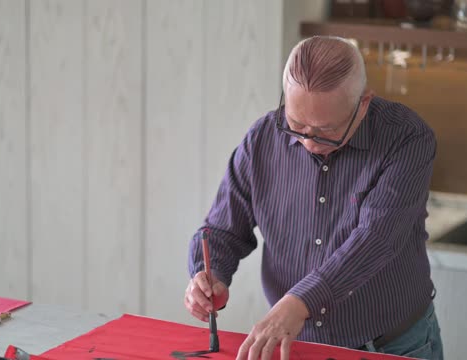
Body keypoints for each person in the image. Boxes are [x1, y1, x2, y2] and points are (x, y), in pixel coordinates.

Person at [184, 36, 444, 360]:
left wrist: (301, 301)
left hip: (392, 345)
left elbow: (377, 239)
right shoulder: (262, 138)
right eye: (296, 124)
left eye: (326, 131)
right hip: (299, 347)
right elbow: (222, 230)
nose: (309, 142)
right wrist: (210, 275)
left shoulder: (407, 138)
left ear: (363, 103)